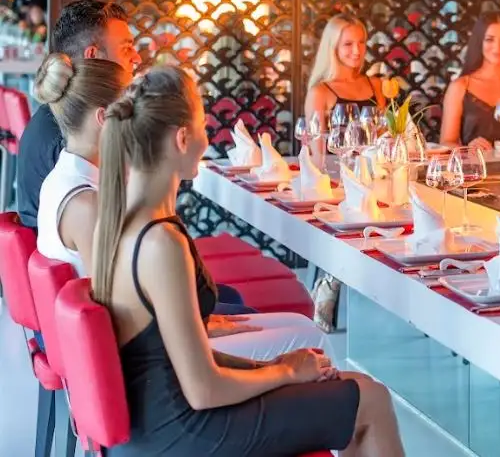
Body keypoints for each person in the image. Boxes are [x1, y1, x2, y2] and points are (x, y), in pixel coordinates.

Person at [93, 65, 403, 456]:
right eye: (203, 125)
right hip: (184, 432)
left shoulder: (120, 220)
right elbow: (203, 390)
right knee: (371, 400)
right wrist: (285, 372)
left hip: (158, 424)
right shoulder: (160, 242)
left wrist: (273, 367)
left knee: (358, 389)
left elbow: (176, 358)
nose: (208, 138)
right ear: (182, 138)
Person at [35, 53, 331, 363]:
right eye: (130, 106)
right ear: (104, 117)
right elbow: (118, 314)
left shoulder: (64, 179)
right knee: (310, 338)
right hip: (137, 357)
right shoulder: (87, 205)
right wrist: (198, 330)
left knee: (295, 325)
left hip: (139, 341)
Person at [15, 0, 141, 228]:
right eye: (126, 48)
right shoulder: (73, 135)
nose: (137, 58)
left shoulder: (62, 114)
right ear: (93, 56)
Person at [439, 13, 500, 150]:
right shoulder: (460, 86)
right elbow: (446, 142)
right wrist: (468, 149)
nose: (498, 47)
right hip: (476, 163)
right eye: (490, 39)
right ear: (479, 41)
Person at [304, 15, 387, 120]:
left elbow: (384, 129)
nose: (357, 51)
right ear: (333, 47)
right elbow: (316, 131)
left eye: (361, 42)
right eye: (348, 44)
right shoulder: (319, 93)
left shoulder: (376, 85)